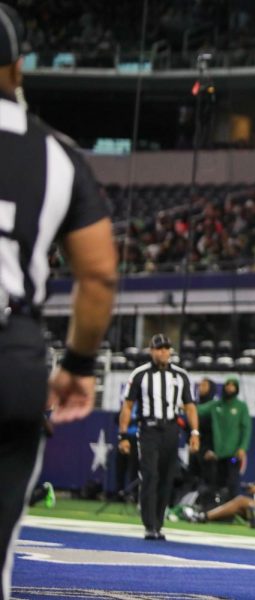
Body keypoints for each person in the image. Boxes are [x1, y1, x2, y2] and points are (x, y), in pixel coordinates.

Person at [0, 5, 117, 596]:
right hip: (10, 353)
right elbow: (97, 277)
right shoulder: (56, 155)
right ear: (17, 67)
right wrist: (76, 364)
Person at [118, 334, 200, 540]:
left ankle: (159, 523)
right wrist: (123, 435)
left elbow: (190, 407)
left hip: (172, 430)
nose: (163, 352)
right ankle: (149, 524)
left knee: (166, 477)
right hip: (149, 430)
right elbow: (127, 406)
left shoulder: (181, 376)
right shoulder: (140, 374)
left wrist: (195, 432)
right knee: (150, 475)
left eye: (166, 348)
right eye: (159, 348)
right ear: (151, 351)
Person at [197, 376, 251, 501]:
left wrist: (243, 447)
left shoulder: (241, 406)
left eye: (232, 386)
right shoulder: (217, 405)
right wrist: (184, 406)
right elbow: (199, 410)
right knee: (215, 484)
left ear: (236, 388)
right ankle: (215, 510)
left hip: (233, 454)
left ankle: (232, 512)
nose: (229, 388)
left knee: (232, 484)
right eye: (227, 385)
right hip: (218, 454)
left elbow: (246, 428)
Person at [188, 377, 217, 490]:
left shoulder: (215, 406)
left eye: (204, 385)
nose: (200, 388)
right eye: (200, 385)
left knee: (208, 480)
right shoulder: (195, 405)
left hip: (208, 448)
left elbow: (216, 430)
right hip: (195, 447)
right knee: (192, 478)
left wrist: (213, 449)